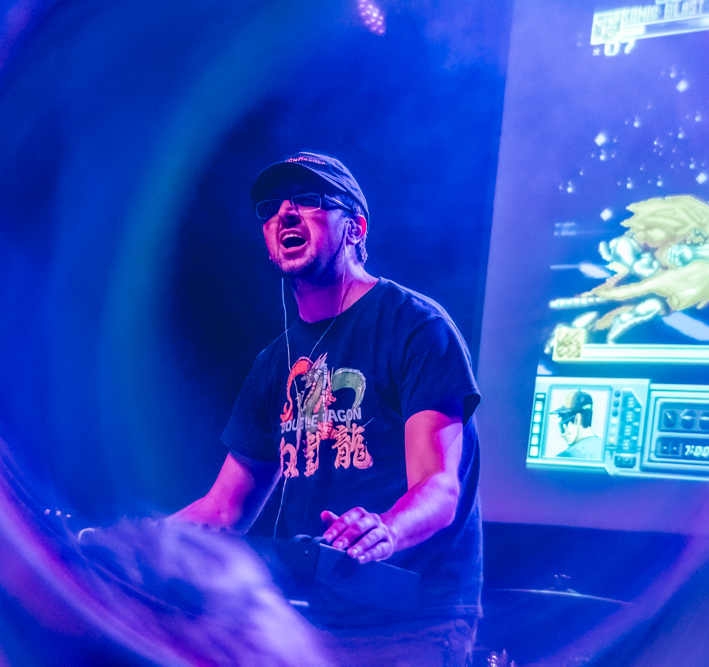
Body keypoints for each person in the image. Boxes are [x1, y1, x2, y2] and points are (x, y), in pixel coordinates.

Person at [173, 152, 482, 666]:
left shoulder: (415, 327)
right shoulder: (274, 363)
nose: (285, 213)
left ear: (355, 228)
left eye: (309, 200)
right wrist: (137, 542)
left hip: (413, 625)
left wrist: (387, 528)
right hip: (312, 618)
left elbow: (438, 488)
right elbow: (225, 510)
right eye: (271, 207)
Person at [552, 390, 604, 459]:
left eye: (563, 427)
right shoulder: (604, 447)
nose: (562, 434)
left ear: (577, 419)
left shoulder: (566, 456)